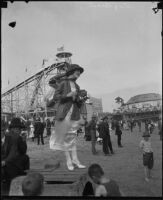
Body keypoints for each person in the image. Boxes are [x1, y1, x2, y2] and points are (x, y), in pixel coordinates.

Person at [49, 64, 86, 171]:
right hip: (64, 113)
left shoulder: (77, 86)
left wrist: (80, 100)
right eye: (77, 72)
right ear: (71, 72)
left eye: (79, 72)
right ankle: (69, 161)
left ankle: (75, 160)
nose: (78, 74)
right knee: (65, 139)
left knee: (73, 139)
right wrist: (68, 96)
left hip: (74, 113)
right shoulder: (63, 83)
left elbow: (77, 102)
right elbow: (56, 97)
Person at [1, 118, 30, 194]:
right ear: (13, 128)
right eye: (18, 128)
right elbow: (23, 151)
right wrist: (24, 140)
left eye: (20, 129)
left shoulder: (7, 135)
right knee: (25, 158)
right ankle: (22, 178)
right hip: (12, 163)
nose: (20, 130)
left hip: (7, 161)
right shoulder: (17, 137)